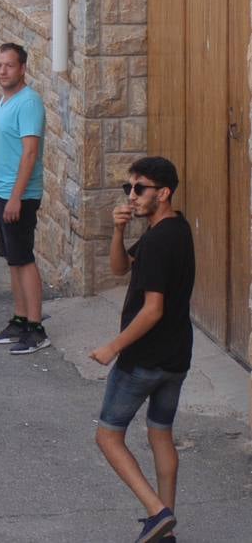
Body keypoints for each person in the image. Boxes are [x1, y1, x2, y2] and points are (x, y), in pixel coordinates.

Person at [89, 156, 193, 543]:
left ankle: (156, 512)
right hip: (176, 357)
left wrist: (112, 347)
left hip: (143, 361)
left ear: (163, 193)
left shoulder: (157, 242)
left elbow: (153, 309)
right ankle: (164, 525)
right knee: (160, 434)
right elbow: (119, 269)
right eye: (127, 188)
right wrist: (117, 232)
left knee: (108, 436)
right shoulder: (175, 229)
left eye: (140, 189)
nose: (131, 196)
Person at [0, 42, 48, 352]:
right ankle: (19, 318)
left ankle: (36, 327)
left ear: (23, 69)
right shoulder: (4, 100)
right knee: (13, 259)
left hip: (20, 197)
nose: (2, 71)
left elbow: (29, 154)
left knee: (24, 259)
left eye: (9, 65)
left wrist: (16, 198)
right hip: (2, 192)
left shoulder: (29, 103)